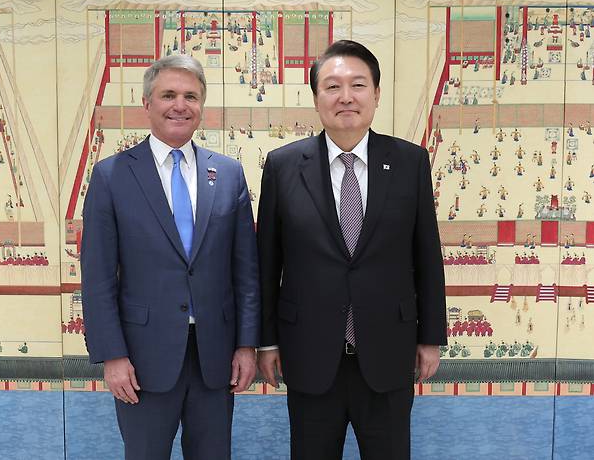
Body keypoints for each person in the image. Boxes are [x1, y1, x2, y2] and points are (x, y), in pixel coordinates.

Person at [257, 40, 446, 460]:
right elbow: (268, 263)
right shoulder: (283, 165)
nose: (346, 97)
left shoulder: (410, 162)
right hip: (307, 355)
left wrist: (431, 337)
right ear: (316, 98)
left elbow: (426, 256)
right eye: (332, 87)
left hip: (388, 353)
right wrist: (266, 342)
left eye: (358, 85)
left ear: (376, 94)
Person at [81, 55, 260, 460]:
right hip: (142, 361)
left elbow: (245, 272)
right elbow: (97, 277)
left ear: (201, 106)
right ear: (147, 104)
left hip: (215, 358)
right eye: (168, 95)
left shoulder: (228, 174)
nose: (180, 105)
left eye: (190, 96)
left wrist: (247, 345)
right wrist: (112, 355)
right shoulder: (111, 176)